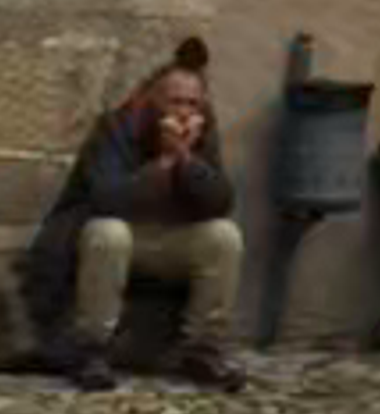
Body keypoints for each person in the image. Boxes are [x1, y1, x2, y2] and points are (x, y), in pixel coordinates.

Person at [18, 46, 249, 388]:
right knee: (110, 233)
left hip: (169, 240)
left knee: (223, 236)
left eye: (192, 103)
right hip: (110, 238)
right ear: (153, 101)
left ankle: (203, 349)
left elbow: (220, 201)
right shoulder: (116, 128)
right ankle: (92, 349)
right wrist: (163, 165)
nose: (184, 112)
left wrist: (186, 160)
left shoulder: (202, 134)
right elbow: (106, 198)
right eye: (175, 102)